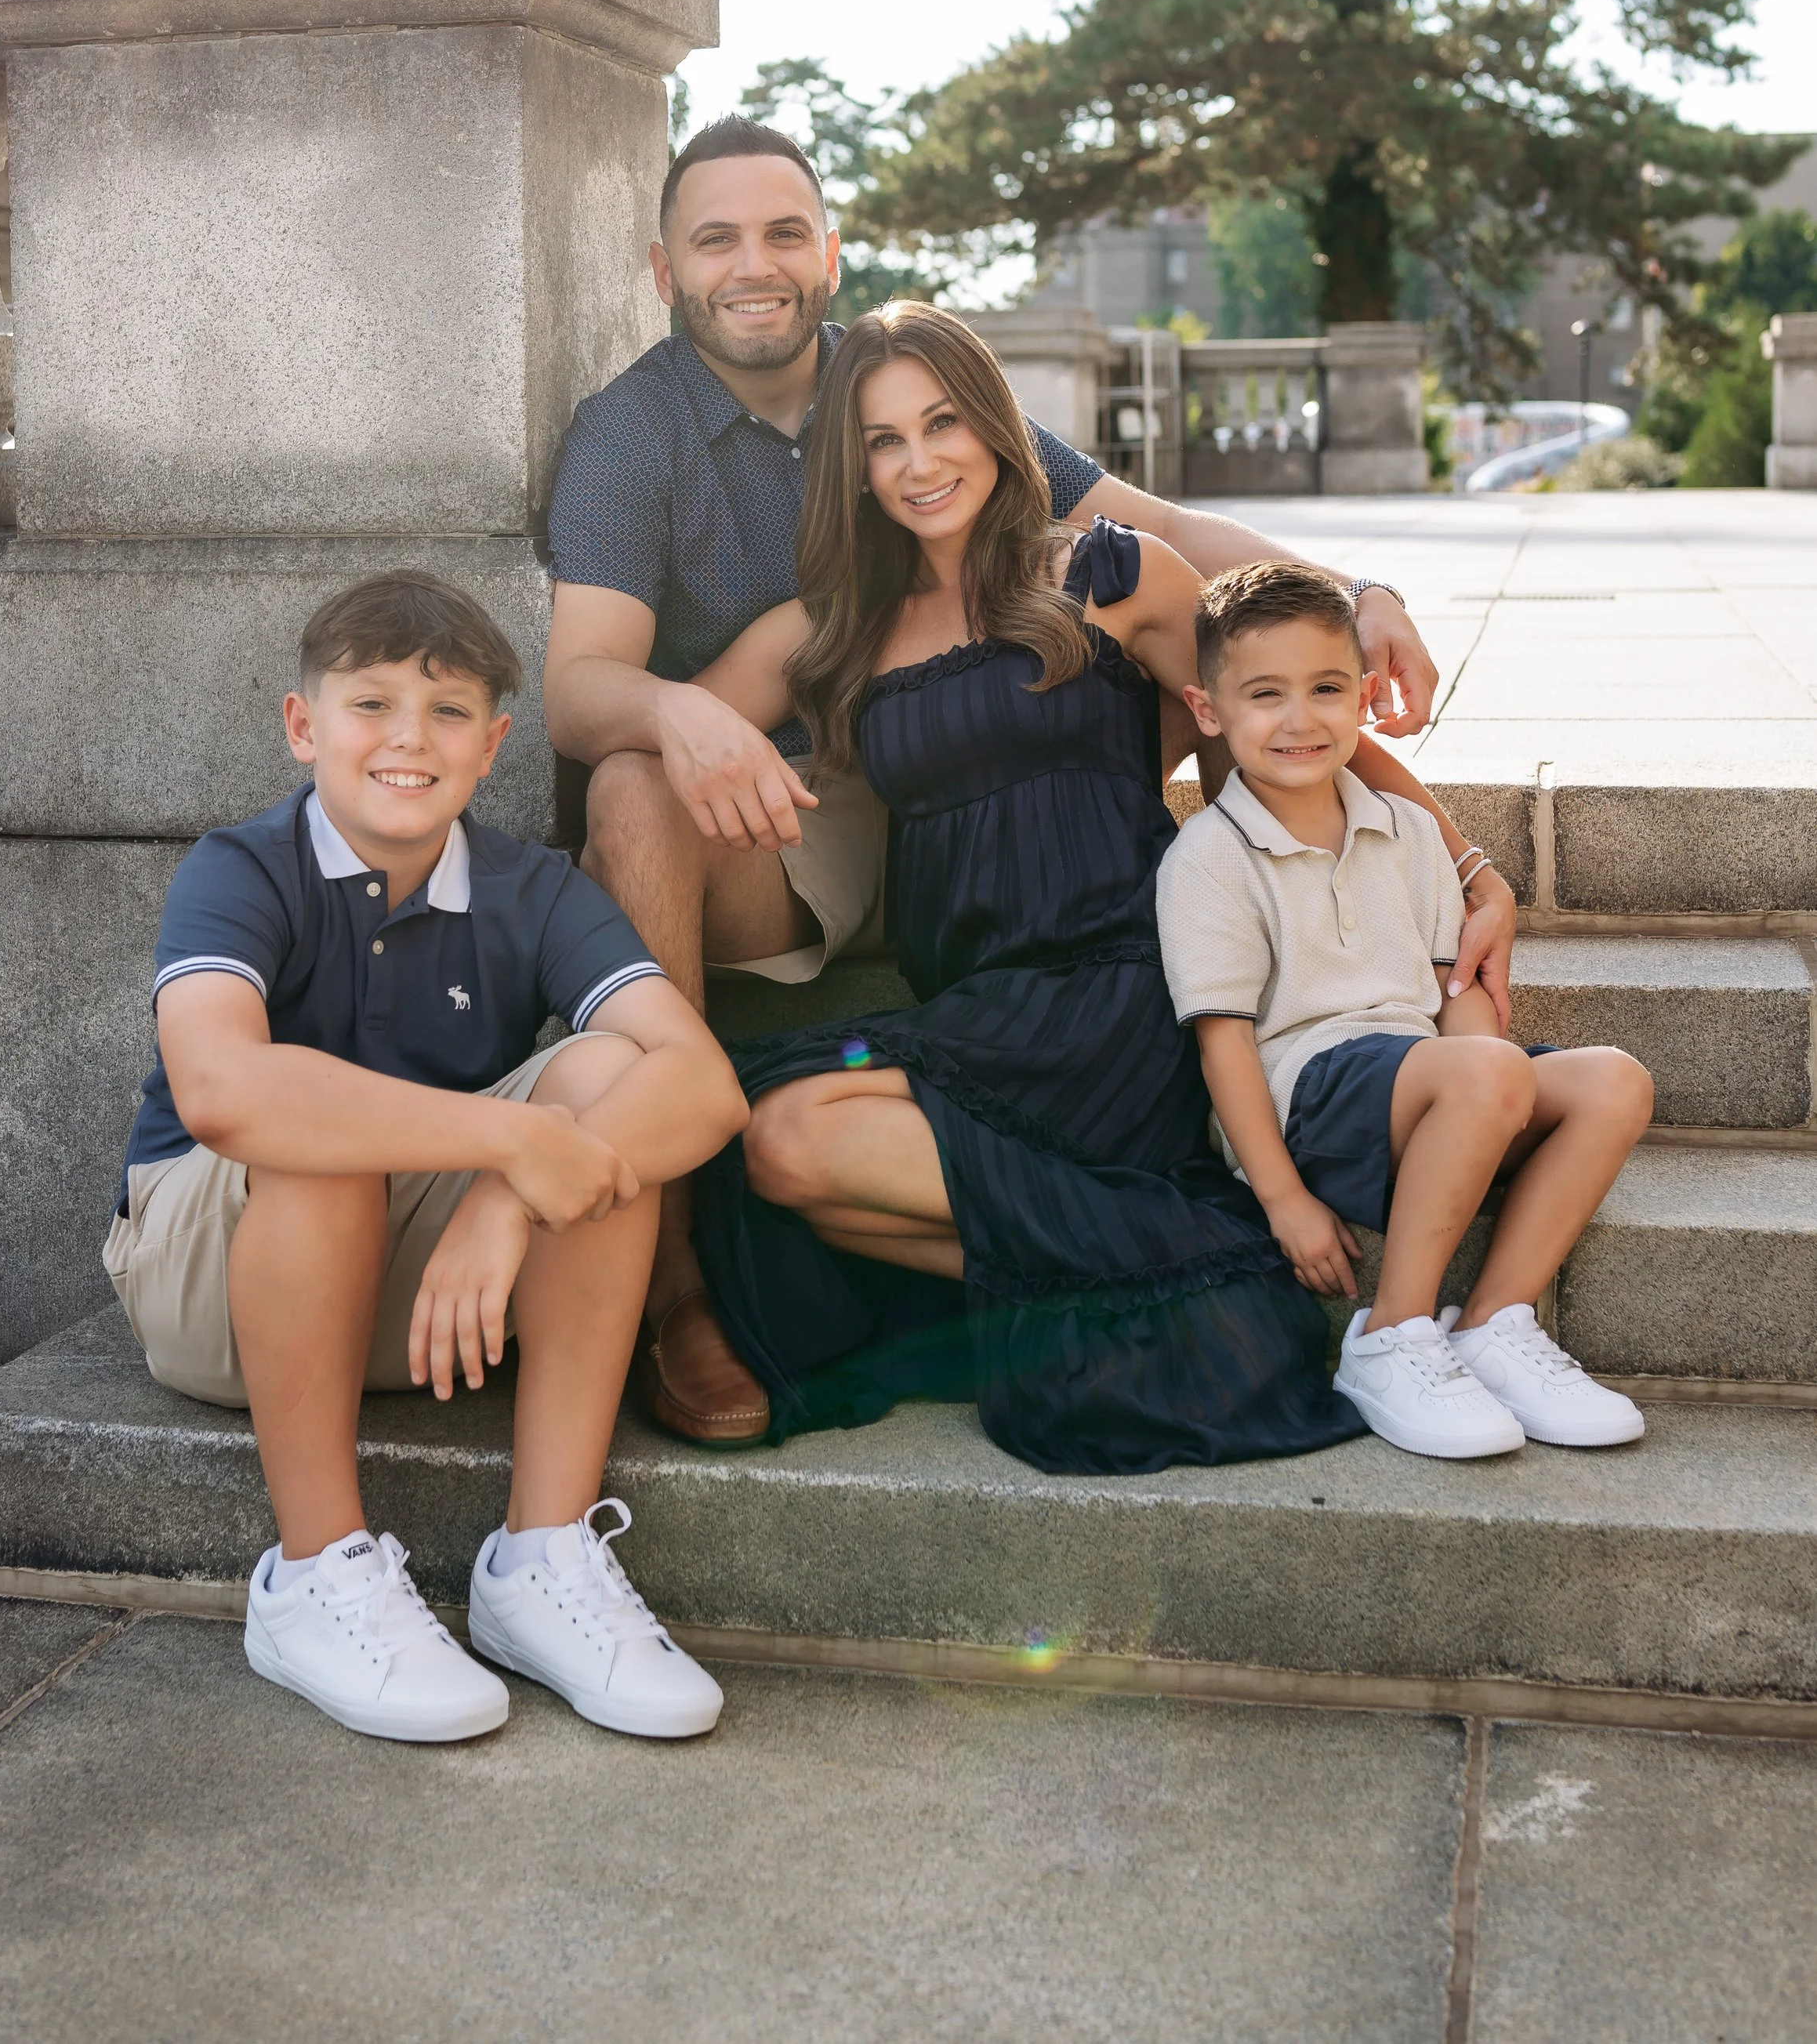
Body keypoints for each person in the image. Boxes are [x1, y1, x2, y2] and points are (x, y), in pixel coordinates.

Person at [543, 115, 1503, 1441]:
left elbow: (1268, 699)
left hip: (1113, 974)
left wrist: (1448, 840)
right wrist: (675, 718)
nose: (918, 459)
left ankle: (1200, 1257)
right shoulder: (793, 583)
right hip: (880, 889)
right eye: (883, 444)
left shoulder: (1096, 570)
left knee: (792, 1151)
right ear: (664, 267)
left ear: (829, 253)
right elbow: (582, 695)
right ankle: (1144, 1259)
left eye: (943, 428)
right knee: (772, 1131)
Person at [103, 570, 749, 1745]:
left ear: (495, 743)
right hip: (211, 1276)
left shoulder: (532, 886)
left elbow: (703, 1084)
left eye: (448, 710)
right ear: (304, 726)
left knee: (614, 1080)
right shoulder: (240, 868)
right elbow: (222, 1088)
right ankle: (314, 1577)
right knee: (324, 1128)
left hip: (429, 1285)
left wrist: (511, 1196)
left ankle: (541, 1559)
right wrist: (512, 1139)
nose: (410, 737)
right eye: (371, 704)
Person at [1158, 560, 1652, 1458]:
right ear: (1207, 710)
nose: (1300, 719)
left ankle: (1495, 1323)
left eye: (1326, 689)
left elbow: (1456, 999)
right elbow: (1223, 1049)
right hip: (1311, 1103)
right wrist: (1280, 1201)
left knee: (1613, 1082)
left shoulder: (1411, 829)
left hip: (1424, 1079)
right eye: (1264, 695)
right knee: (1486, 1065)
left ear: (1363, 698)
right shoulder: (1209, 855)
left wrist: (1488, 1109)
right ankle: (1391, 1335)